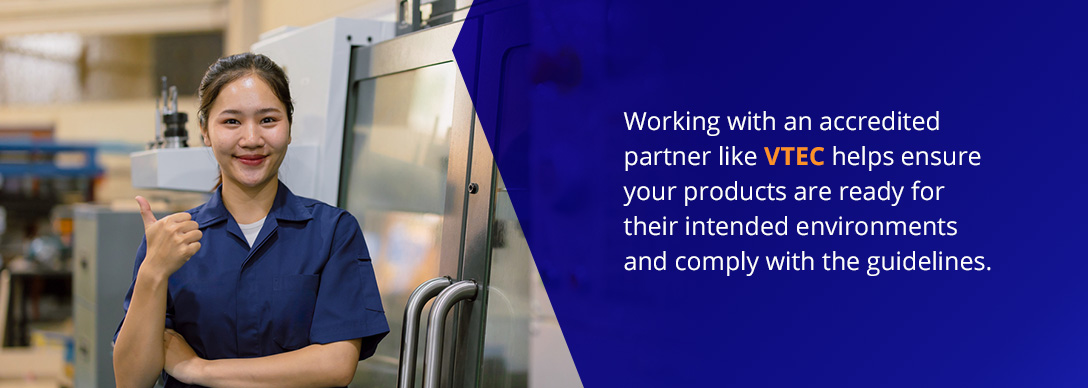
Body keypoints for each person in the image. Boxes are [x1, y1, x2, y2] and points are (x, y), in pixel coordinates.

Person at [113, 53, 389, 388]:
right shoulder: (172, 240)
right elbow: (131, 380)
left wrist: (199, 369)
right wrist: (153, 272)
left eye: (268, 120)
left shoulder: (332, 232)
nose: (252, 139)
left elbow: (336, 364)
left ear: (289, 127)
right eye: (231, 122)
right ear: (205, 131)